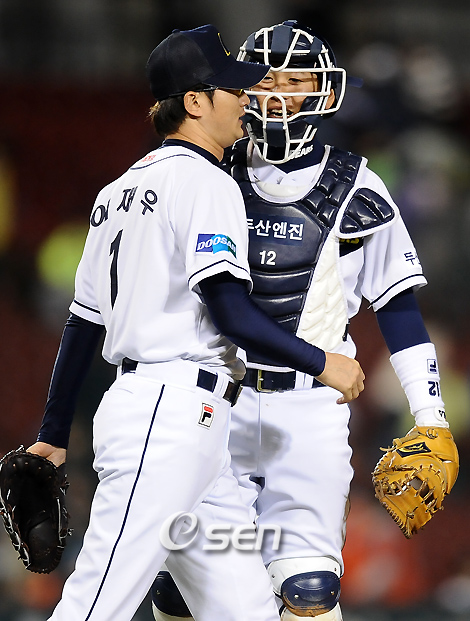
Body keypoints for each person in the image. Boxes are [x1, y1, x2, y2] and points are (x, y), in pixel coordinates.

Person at [25, 24, 365, 621]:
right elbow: (231, 311)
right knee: (95, 602)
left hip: (191, 426)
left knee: (247, 609)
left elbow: (82, 325)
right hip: (167, 416)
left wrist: (54, 433)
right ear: (195, 102)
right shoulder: (207, 181)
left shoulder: (117, 191)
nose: (245, 100)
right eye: (232, 89)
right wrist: (322, 363)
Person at [150, 20, 451, 621]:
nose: (281, 93)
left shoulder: (359, 186)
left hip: (310, 410)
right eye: (267, 80)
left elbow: (399, 309)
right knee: (181, 590)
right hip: (215, 403)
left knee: (310, 590)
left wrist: (432, 418)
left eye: (297, 80)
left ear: (325, 90)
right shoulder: (204, 172)